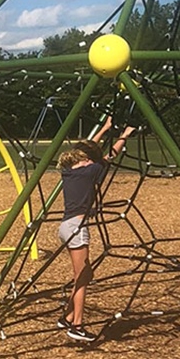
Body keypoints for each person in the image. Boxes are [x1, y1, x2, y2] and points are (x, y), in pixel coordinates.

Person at [56, 116, 135, 342]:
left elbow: (87, 148)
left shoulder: (69, 170)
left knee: (86, 273)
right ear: (87, 160)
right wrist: (125, 134)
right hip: (77, 226)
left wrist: (106, 127)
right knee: (81, 277)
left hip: (65, 226)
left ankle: (68, 315)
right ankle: (76, 325)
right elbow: (110, 154)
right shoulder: (91, 171)